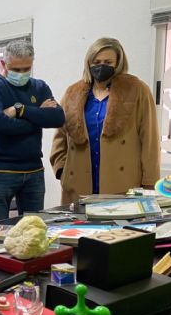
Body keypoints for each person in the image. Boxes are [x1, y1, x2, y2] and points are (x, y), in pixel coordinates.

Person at [50, 37, 160, 204]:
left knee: (118, 229)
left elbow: (149, 139)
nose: (101, 66)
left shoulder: (137, 90)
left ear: (118, 64)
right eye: (97, 61)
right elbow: (60, 136)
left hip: (122, 183)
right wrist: (61, 170)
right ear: (89, 62)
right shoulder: (73, 92)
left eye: (108, 61)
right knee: (79, 229)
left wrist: (150, 182)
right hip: (79, 182)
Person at [0, 40, 65, 221]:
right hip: (0, 171)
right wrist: (38, 117)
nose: (22, 74)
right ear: (3, 64)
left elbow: (58, 118)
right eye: (16, 70)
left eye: (26, 69)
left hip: (34, 170)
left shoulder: (39, 87)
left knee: (34, 229)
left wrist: (20, 110)